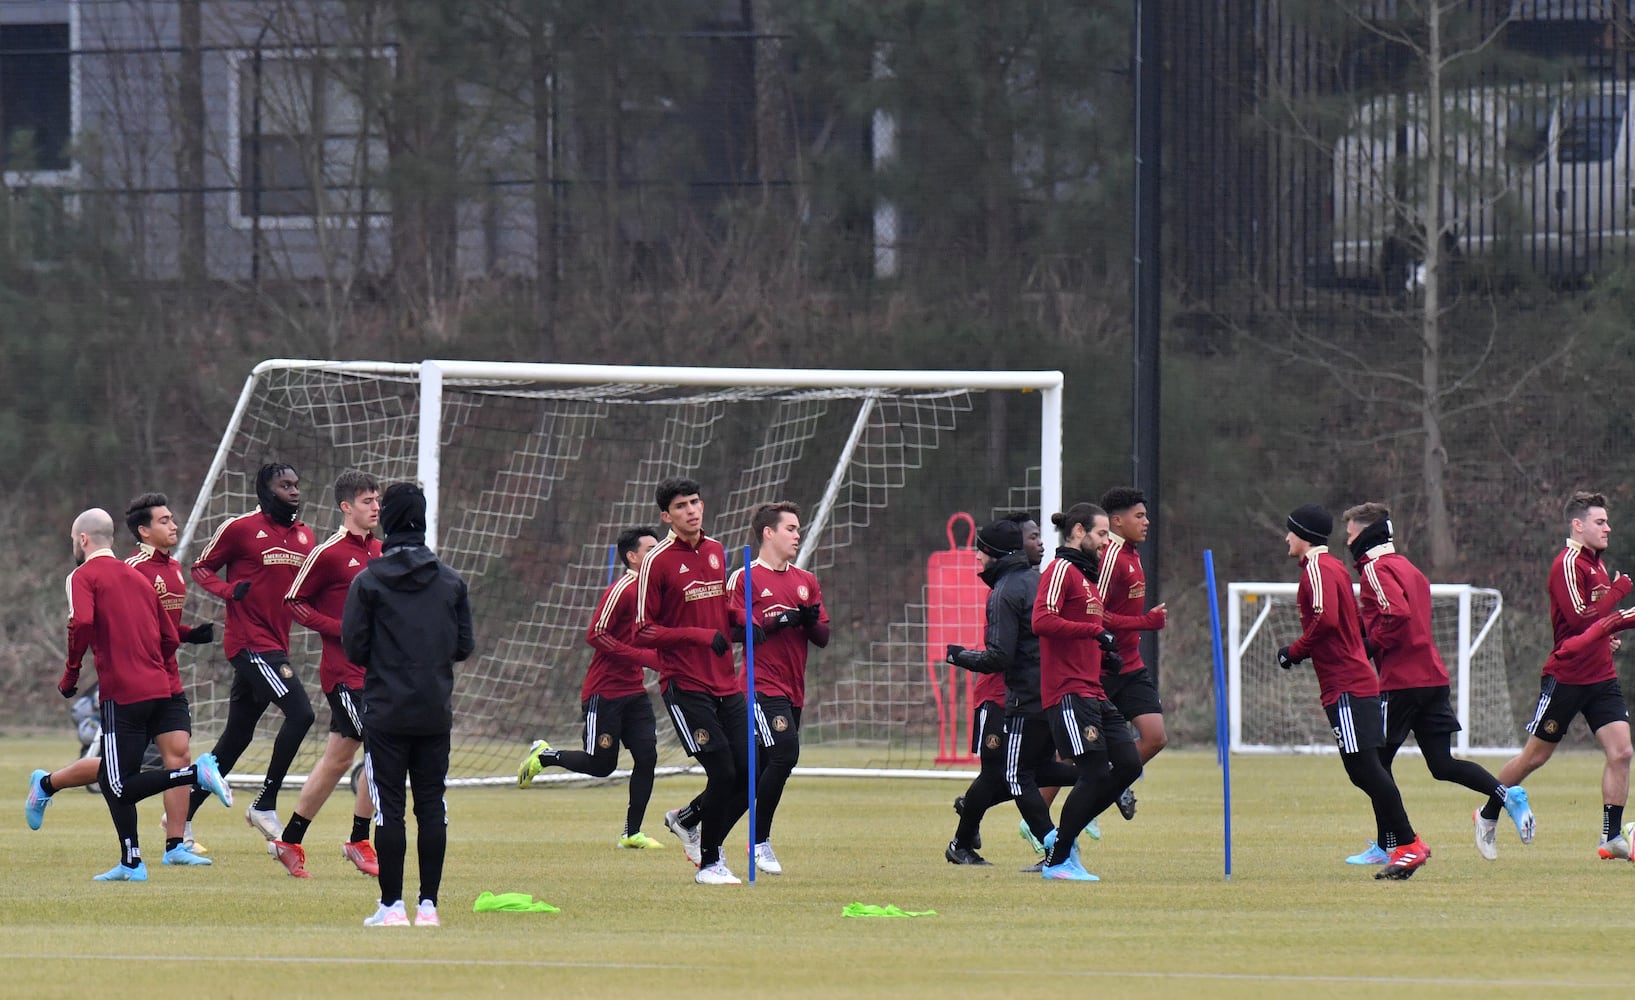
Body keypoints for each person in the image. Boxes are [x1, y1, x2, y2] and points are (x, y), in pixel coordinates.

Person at [25, 493, 218, 866]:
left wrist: (73, 674)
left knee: (160, 761)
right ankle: (48, 785)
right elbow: (155, 631)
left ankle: (172, 845)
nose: (173, 525)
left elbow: (162, 631)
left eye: (171, 518)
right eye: (164, 520)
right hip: (141, 684)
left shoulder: (172, 569)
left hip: (154, 683)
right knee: (116, 773)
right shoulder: (134, 571)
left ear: (82, 540)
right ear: (140, 532)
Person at [1342, 502, 1533, 863]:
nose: (1347, 541)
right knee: (1442, 764)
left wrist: (1367, 646)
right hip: (1432, 678)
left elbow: (1395, 614)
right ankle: (1507, 795)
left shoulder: (1375, 571)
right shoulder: (1409, 569)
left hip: (1400, 683)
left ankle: (1389, 846)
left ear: (1365, 535)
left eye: (1350, 534)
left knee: (1375, 766)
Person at [342, 483, 474, 927]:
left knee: (389, 808)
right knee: (432, 805)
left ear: (391, 521)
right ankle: (429, 906)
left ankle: (392, 906)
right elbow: (463, 646)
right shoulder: (451, 581)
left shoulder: (368, 581)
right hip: (434, 708)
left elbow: (354, 648)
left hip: (385, 709)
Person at [1477, 491, 1635, 860]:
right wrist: (1619, 596)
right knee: (1535, 757)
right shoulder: (1567, 563)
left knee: (1622, 751)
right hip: (1567, 677)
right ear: (1577, 526)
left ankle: (1611, 837)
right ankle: (1487, 814)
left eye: (1607, 521)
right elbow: (1581, 619)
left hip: (1601, 677)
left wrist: (1608, 632)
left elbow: (1593, 620)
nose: (1607, 528)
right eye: (1600, 522)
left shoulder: (1596, 564)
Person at [1276, 504, 1429, 880]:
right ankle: (1408, 844)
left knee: (1364, 770)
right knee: (1367, 769)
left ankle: (1409, 845)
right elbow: (1351, 621)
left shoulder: (1317, 569)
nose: (1286, 539)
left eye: (1290, 532)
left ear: (1303, 534)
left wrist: (1293, 652)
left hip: (1345, 683)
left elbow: (1326, 620)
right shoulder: (1335, 569)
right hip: (1354, 679)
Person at [186, 463, 316, 847]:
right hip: (249, 644)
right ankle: (265, 803)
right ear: (265, 490)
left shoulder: (306, 536)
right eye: (284, 485)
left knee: (237, 738)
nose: (293, 491)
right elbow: (200, 567)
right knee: (302, 713)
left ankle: (179, 818)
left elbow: (311, 589)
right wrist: (229, 592)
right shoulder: (240, 528)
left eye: (295, 484)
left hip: (277, 644)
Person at [516, 526, 667, 850]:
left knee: (647, 757)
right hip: (605, 693)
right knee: (602, 765)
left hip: (635, 693)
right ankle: (545, 756)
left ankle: (631, 833)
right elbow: (596, 634)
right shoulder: (623, 589)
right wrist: (643, 657)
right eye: (650, 549)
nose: (657, 553)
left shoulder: (652, 590)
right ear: (632, 556)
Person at [944, 517, 1076, 869]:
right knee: (1001, 773)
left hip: (1028, 696)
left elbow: (1008, 652)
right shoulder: (1009, 589)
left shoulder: (1030, 585)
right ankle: (964, 838)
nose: (1041, 543)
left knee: (1020, 773)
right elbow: (1003, 654)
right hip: (1000, 696)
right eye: (1033, 537)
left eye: (1038, 536)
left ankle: (972, 825)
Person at [639, 477, 751, 885]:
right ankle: (710, 862)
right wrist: (699, 636)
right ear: (666, 516)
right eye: (682, 505)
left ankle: (687, 820)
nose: (692, 510)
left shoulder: (717, 551)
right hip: (685, 684)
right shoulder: (658, 561)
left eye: (696, 502)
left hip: (726, 683)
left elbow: (719, 609)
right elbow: (643, 630)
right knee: (722, 772)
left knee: (749, 771)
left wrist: (740, 619)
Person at [274, 470, 385, 878]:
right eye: (366, 501)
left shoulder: (382, 551)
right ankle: (359, 839)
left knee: (337, 760)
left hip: (376, 676)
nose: (375, 507)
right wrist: (342, 631)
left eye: (377, 500)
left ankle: (289, 840)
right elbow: (294, 601)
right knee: (383, 745)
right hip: (344, 675)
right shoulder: (329, 553)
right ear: (346, 507)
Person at [1033, 502, 1142, 880]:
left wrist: (1103, 655)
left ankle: (1063, 846)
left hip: (1093, 689)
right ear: (1078, 532)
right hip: (1068, 692)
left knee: (1128, 764)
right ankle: (1059, 858)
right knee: (1094, 772)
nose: (1103, 542)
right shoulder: (1060, 570)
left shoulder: (1087, 579)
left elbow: (1082, 632)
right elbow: (1042, 620)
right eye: (1099, 534)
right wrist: (1094, 632)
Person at [724, 502, 830, 875]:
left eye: (799, 529)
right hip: (759, 686)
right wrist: (774, 622)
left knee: (759, 769)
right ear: (768, 533)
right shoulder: (745, 578)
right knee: (785, 754)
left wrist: (810, 619)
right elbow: (733, 632)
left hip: (793, 688)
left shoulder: (806, 580)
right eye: (790, 529)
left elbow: (823, 638)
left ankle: (695, 821)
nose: (797, 535)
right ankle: (759, 841)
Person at [1096, 487, 1168, 821]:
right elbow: (1094, 613)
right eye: (1139, 516)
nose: (1146, 522)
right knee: (1069, 754)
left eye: (1145, 515)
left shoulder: (1132, 552)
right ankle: (1037, 821)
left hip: (1132, 665)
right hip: (1103, 667)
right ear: (1116, 521)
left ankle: (1114, 779)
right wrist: (1145, 622)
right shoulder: (1109, 555)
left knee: (1155, 737)